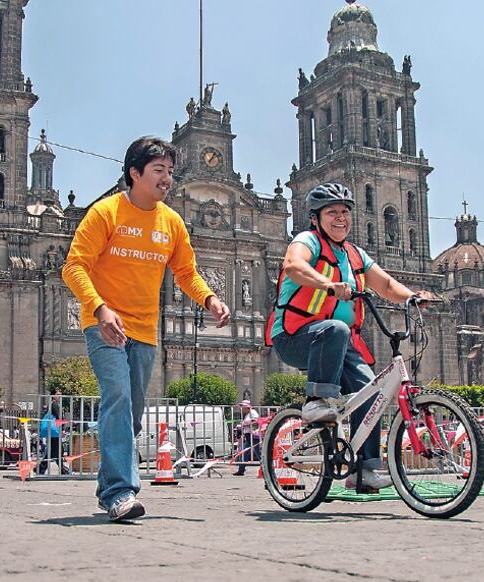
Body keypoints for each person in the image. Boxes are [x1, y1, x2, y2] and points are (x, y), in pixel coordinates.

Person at [63, 136, 230, 521]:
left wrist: (209, 299)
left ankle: (108, 484)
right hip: (103, 325)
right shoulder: (105, 213)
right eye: (159, 170)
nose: (168, 179)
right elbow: (73, 266)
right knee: (118, 397)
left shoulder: (170, 222)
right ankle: (121, 492)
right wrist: (100, 309)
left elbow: (186, 272)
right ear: (135, 173)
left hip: (144, 330)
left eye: (170, 171)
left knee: (133, 412)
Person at [266, 183, 434, 492]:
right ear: (315, 219)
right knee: (336, 328)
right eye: (332, 213)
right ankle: (317, 400)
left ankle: (365, 470)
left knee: (371, 394)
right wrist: (328, 285)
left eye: (345, 212)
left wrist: (412, 297)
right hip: (296, 337)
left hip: (339, 346)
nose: (340, 218)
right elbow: (293, 265)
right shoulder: (307, 241)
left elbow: (384, 284)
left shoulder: (355, 254)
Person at [38, 403, 70, 475]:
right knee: (57, 451)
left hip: (50, 434)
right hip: (55, 434)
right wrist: (61, 432)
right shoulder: (55, 414)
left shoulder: (48, 415)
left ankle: (41, 468)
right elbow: (59, 424)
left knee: (54, 452)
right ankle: (63, 469)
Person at [232, 399, 261, 476]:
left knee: (258, 453)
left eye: (243, 407)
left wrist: (244, 424)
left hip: (254, 436)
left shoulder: (253, 412)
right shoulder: (248, 414)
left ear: (247, 407)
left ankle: (265, 468)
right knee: (244, 452)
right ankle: (241, 470)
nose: (242, 409)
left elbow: (255, 421)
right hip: (249, 435)